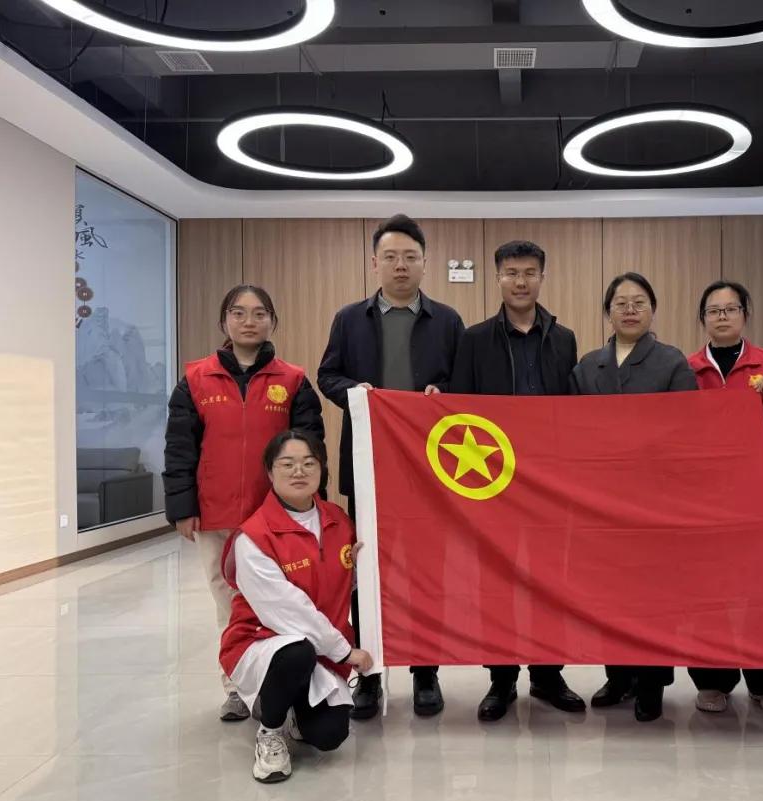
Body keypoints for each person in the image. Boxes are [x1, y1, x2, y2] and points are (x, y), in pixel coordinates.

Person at [318, 213, 465, 720]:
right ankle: (370, 674)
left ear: (425, 263)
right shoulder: (349, 319)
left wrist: (443, 395)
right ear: (374, 263)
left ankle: (426, 673)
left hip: (429, 472)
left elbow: (464, 384)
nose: (400, 265)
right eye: (391, 256)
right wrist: (355, 393)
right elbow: (328, 375)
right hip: (367, 468)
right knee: (366, 572)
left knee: (427, 573)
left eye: (410, 257)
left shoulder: (447, 321)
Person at [164, 284, 324, 722]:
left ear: (273, 321)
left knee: (282, 600)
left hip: (274, 517)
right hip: (215, 513)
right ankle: (235, 685)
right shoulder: (196, 379)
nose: (248, 321)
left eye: (258, 313)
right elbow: (180, 448)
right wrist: (182, 507)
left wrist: (313, 507)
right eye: (238, 313)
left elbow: (311, 448)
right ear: (224, 322)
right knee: (229, 602)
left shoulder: (293, 380)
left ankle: (284, 684)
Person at [450, 239, 586, 722]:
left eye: (529, 272)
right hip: (494, 484)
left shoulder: (564, 339)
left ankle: (548, 674)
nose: (520, 281)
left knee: (552, 580)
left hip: (550, 482)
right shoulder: (474, 339)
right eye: (511, 273)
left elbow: (573, 410)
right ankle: (501, 678)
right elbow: (459, 410)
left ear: (542, 278)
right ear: (498, 278)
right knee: (498, 583)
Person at [569, 271, 697, 722]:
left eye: (638, 302)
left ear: (652, 310)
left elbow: (688, 429)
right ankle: (618, 675)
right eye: (620, 303)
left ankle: (652, 683)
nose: (629, 310)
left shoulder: (672, 362)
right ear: (607, 312)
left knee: (654, 595)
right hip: (601, 501)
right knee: (609, 592)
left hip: (654, 500)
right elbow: (570, 431)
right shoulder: (587, 366)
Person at [220, 430, 373, 782]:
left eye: (309, 463)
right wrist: (345, 652)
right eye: (287, 464)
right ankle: (270, 730)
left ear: (322, 470)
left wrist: (362, 571)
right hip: (264, 642)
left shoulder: (338, 520)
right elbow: (288, 611)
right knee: (296, 652)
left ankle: (290, 706)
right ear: (270, 472)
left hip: (319, 646)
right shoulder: (254, 537)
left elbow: (340, 583)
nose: (299, 472)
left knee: (329, 736)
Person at [685, 280, 763, 717]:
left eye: (730, 309)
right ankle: (712, 680)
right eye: (713, 311)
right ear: (703, 319)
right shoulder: (688, 369)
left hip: (761, 493)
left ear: (744, 315)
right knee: (708, 590)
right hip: (705, 498)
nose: (722, 317)